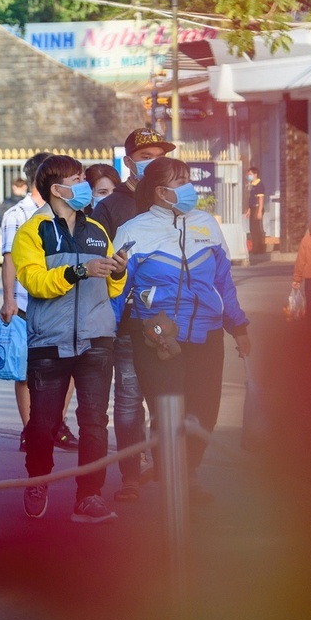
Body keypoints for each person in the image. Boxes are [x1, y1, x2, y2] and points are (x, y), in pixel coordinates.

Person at [117, 157, 251, 496]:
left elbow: (224, 283)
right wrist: (105, 337)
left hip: (207, 334)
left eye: (189, 180)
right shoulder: (133, 230)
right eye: (181, 182)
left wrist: (238, 326)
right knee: (169, 412)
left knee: (204, 412)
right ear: (161, 192)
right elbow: (116, 291)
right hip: (157, 338)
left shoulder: (207, 224)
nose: (190, 188)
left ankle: (187, 470)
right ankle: (175, 481)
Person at [12, 155, 127, 523]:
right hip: (49, 341)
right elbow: (34, 283)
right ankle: (38, 481)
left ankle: (89, 495)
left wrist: (118, 271)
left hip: (97, 339)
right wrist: (79, 270)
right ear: (56, 188)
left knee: (94, 421)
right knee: (43, 423)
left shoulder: (97, 230)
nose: (84, 185)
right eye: (77, 179)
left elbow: (112, 288)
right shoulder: (33, 230)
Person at [91, 129, 175, 502]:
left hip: (170, 320)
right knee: (128, 398)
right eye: (145, 156)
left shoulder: (174, 203)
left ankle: (171, 469)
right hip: (127, 321)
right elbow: (99, 263)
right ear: (128, 162)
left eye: (159, 155)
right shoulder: (111, 208)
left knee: (168, 396)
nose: (154, 162)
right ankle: (130, 474)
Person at [1, 152, 76, 454]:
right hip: (25, 305)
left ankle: (57, 423)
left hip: (64, 302)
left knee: (68, 367)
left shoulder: (70, 211)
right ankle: (30, 428)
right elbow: (9, 259)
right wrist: (8, 299)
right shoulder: (17, 214)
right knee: (27, 372)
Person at [246, 166, 268, 261]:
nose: (249, 176)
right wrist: (249, 210)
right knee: (252, 228)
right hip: (253, 208)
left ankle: (258, 248)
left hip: (257, 207)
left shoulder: (259, 185)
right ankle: (255, 247)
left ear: (255, 174)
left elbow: (261, 199)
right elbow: (252, 198)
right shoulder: (253, 185)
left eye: (250, 174)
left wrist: (259, 211)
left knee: (257, 229)